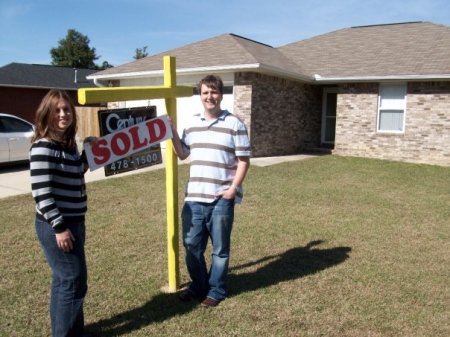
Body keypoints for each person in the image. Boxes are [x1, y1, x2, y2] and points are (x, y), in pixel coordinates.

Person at [170, 74, 251, 307]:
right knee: (192, 246)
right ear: (200, 95)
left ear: (221, 95)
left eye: (214, 92)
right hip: (194, 198)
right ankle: (199, 285)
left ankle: (216, 290)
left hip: (221, 199)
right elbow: (183, 153)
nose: (209, 96)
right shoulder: (192, 124)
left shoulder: (235, 124)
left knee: (220, 249)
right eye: (205, 92)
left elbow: (244, 160)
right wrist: (172, 131)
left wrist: (233, 189)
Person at [30, 89, 92, 337]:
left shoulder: (67, 145)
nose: (63, 114)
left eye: (66, 109)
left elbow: (76, 173)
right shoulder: (43, 146)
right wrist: (60, 227)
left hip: (74, 223)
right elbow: (41, 194)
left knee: (64, 281)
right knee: (73, 281)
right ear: (47, 114)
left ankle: (71, 331)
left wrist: (89, 152)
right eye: (57, 110)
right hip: (58, 226)